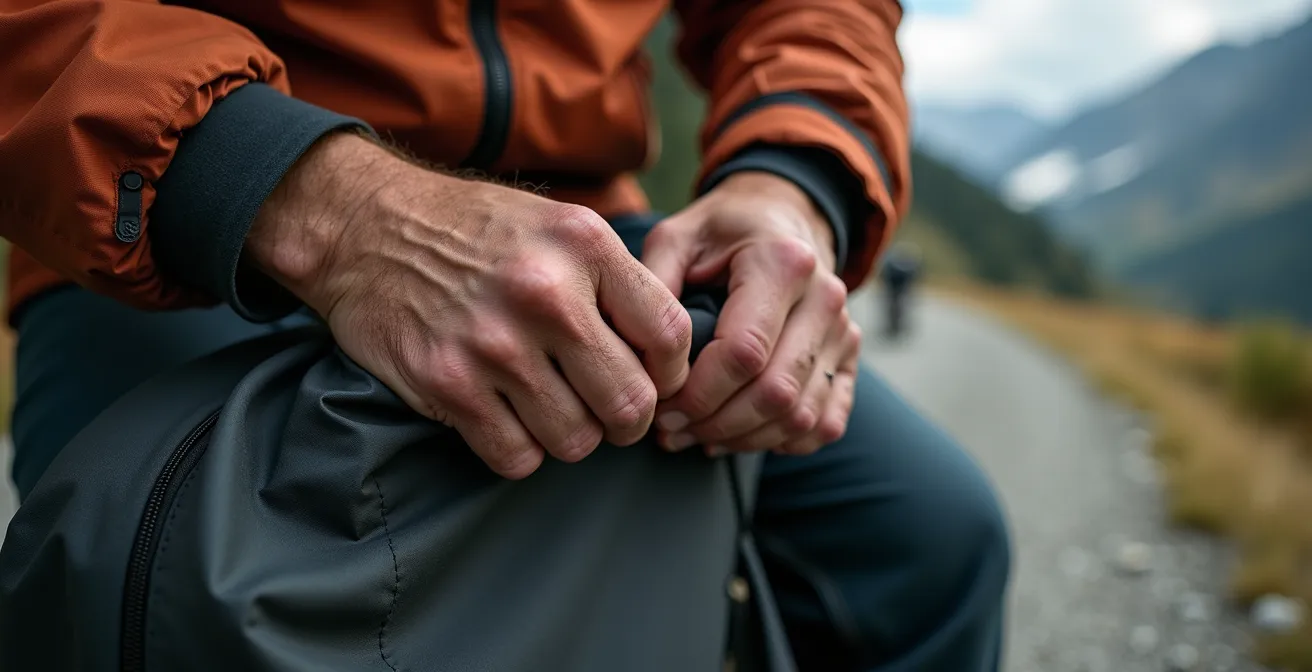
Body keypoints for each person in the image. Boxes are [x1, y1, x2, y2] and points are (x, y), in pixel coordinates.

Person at [0, 1, 1010, 670]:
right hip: (185, 211)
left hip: (586, 228)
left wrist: (793, 181)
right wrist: (328, 207)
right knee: (154, 586)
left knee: (928, 542)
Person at [880, 242, 924, 339]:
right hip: (892, 284)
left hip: (901, 285)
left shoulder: (905, 267)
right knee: (891, 303)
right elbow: (885, 279)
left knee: (902, 303)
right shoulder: (892, 265)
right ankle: (892, 324)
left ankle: (899, 324)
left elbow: (912, 282)